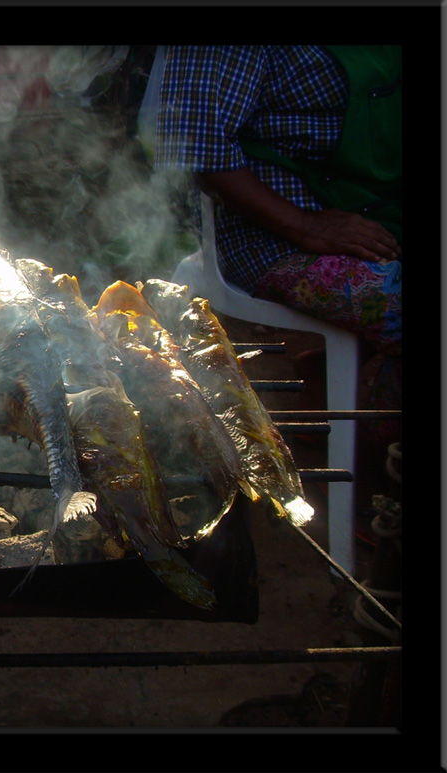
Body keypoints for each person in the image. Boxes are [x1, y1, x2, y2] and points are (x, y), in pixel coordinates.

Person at [154, 45, 402, 521]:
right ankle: (377, 480)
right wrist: (307, 227)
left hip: (375, 204)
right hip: (274, 231)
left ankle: (330, 386)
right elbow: (198, 146)